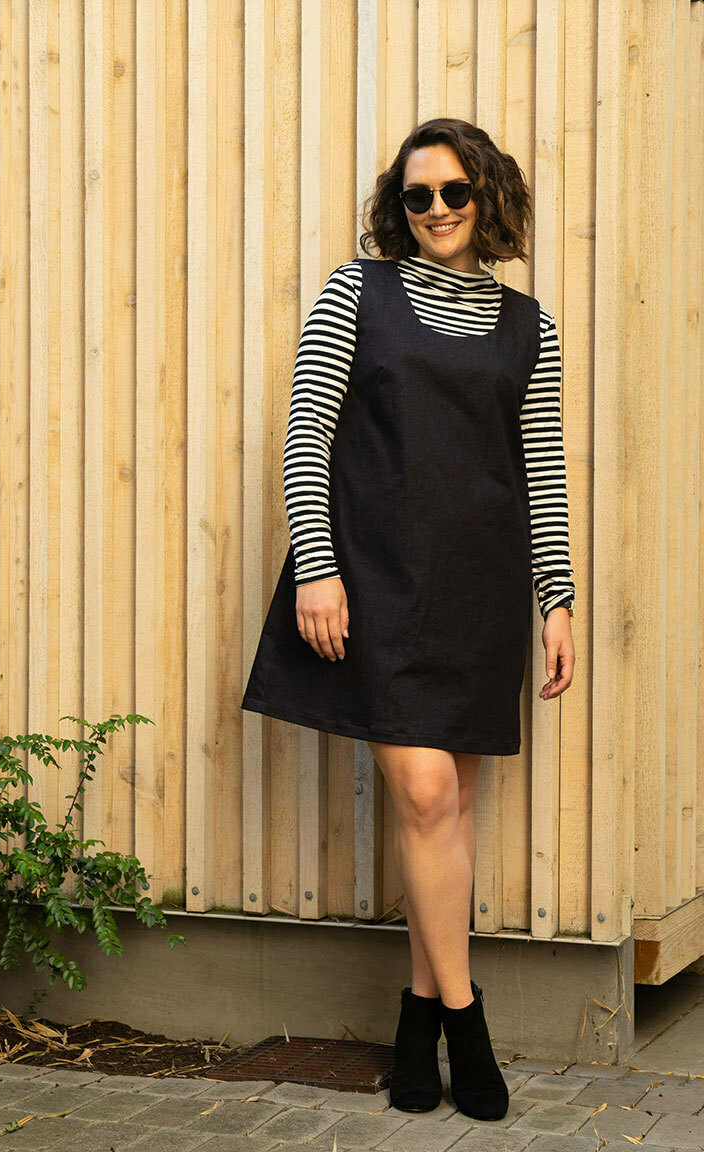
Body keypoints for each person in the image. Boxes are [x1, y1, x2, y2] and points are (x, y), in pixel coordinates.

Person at [241, 117, 576, 1121]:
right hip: (378, 580)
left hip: (480, 589)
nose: (435, 210)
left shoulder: (532, 328)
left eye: (453, 192)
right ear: (399, 206)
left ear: (487, 197)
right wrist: (316, 568)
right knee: (427, 795)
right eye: (416, 195)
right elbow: (307, 432)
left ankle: (417, 1023)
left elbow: (541, 472)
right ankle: (468, 1024)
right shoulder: (359, 291)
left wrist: (556, 599)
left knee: (450, 809)